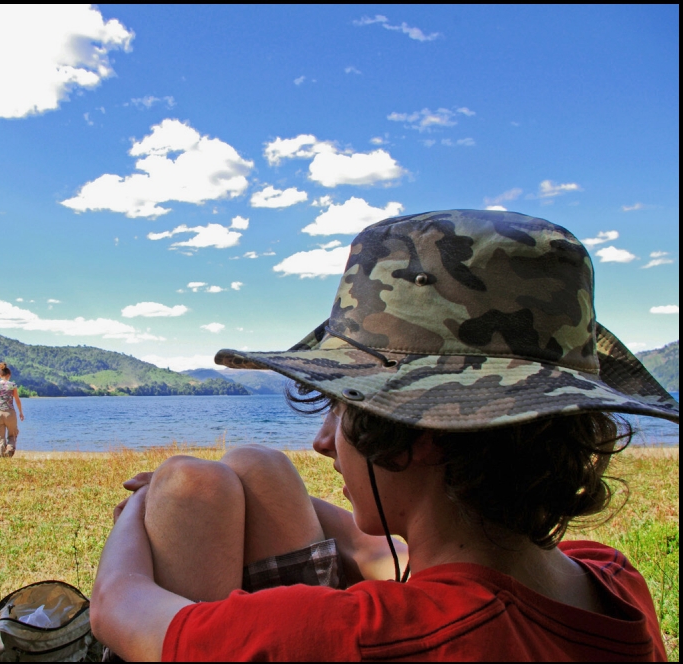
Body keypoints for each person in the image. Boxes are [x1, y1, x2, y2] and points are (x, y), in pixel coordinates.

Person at [89, 210, 679, 662]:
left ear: (420, 434)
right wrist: (245, 485)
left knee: (201, 481)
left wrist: (141, 509)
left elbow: (118, 605)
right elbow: (380, 551)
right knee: (254, 465)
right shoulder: (612, 580)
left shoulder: (355, 637)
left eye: (343, 408)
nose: (322, 442)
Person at [0, 361, 24, 457]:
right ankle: (9, 452)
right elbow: (17, 400)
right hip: (10, 413)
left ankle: (0, 459)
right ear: (9, 375)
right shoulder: (12, 385)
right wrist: (20, 412)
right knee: (12, 435)